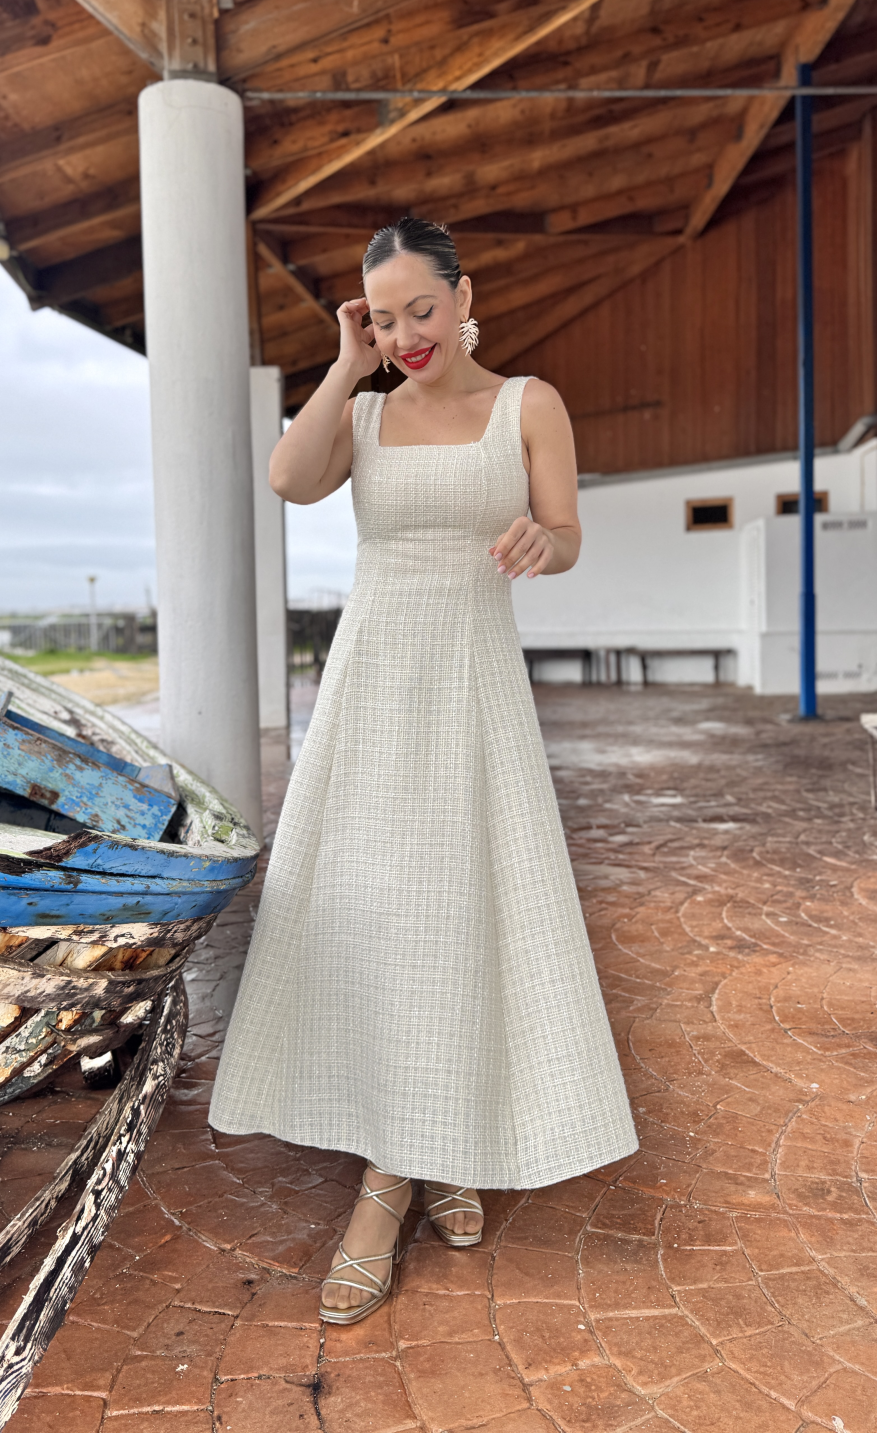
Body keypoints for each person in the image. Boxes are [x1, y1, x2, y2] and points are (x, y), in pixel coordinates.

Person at [209, 217, 637, 1325]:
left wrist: (544, 544)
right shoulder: (364, 412)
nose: (406, 334)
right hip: (373, 689)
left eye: (422, 310)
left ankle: (410, 1165)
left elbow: (566, 532)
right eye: (385, 316)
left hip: (475, 688)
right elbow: (288, 477)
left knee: (457, 916)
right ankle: (413, 1158)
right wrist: (344, 365)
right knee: (382, 917)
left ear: (464, 296)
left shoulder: (529, 403)